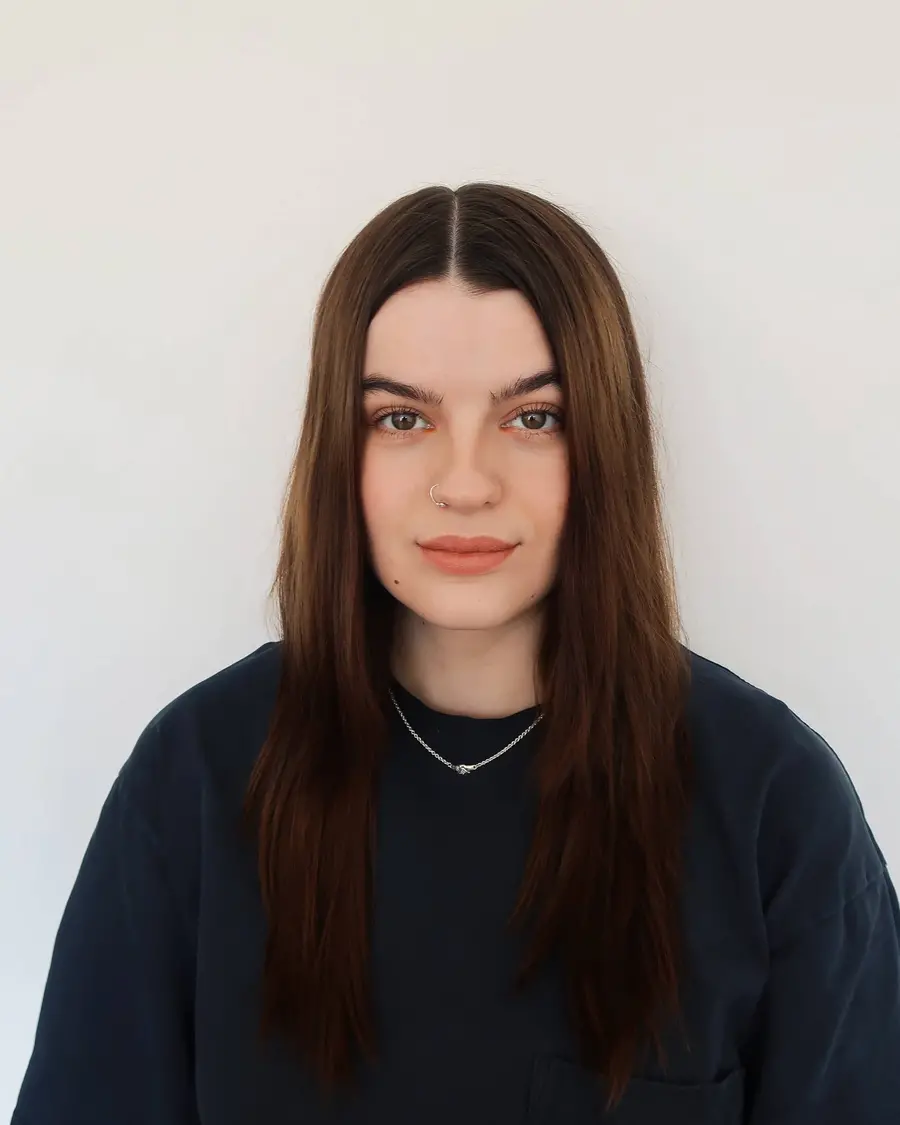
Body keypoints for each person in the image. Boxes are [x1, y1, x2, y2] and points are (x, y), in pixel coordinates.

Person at [11, 182, 900, 1124]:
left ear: (604, 440)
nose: (466, 483)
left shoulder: (772, 801)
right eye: (402, 418)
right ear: (336, 452)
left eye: (533, 418)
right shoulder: (197, 775)